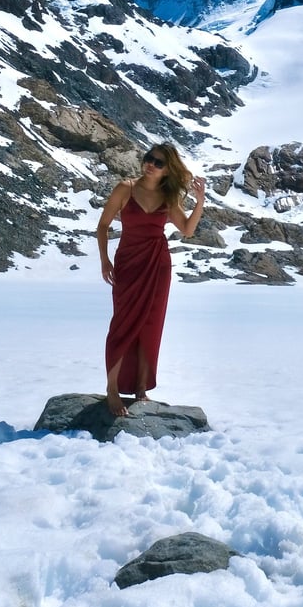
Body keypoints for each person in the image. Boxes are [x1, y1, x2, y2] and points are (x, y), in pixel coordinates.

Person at [96, 144, 206, 417]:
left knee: (150, 325)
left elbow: (188, 230)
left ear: (168, 169)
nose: (150, 165)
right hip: (128, 263)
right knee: (121, 324)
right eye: (149, 159)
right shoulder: (126, 188)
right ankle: (112, 390)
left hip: (158, 265)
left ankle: (141, 388)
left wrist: (200, 201)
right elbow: (103, 225)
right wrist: (104, 260)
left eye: (158, 163)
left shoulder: (169, 198)